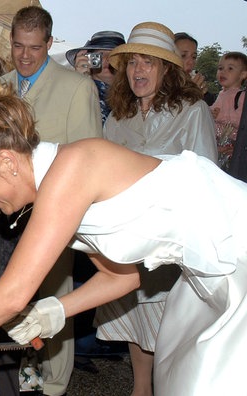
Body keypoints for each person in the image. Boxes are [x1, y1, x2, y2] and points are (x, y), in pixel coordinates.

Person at [0, 81, 247, 396]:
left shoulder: (70, 171)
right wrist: (56, 310)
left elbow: (11, 295)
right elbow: (124, 276)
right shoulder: (59, 187)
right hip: (204, 276)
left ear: (6, 161)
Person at [101, 22, 219, 396]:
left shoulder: (193, 110)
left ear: (167, 69)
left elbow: (206, 176)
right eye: (133, 61)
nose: (138, 70)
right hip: (126, 236)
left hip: (172, 238)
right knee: (136, 315)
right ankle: (140, 389)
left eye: (149, 62)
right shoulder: (117, 117)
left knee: (173, 325)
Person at [0, 7, 102, 395]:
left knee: (55, 299)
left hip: (55, 213)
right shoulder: (1, 86)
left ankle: (55, 384)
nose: (25, 56)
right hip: (3, 216)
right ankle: (15, 375)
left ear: (50, 43)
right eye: (18, 47)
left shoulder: (77, 87)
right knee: (10, 295)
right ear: (9, 43)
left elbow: (90, 157)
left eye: (35, 48)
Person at [65, 31, 126, 125]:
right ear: (88, 59)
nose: (107, 59)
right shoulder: (71, 92)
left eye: (114, 55)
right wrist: (79, 83)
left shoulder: (134, 97)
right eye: (100, 55)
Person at [211, 51, 247, 170]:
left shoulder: (241, 96)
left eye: (230, 68)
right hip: (218, 143)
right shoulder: (221, 95)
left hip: (232, 146)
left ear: (243, 74)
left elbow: (241, 121)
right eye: (220, 68)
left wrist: (218, 115)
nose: (223, 72)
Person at [173, 32, 216, 105]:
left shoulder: (204, 93)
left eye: (194, 57)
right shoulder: (156, 89)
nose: (191, 62)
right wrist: (190, 95)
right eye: (183, 55)